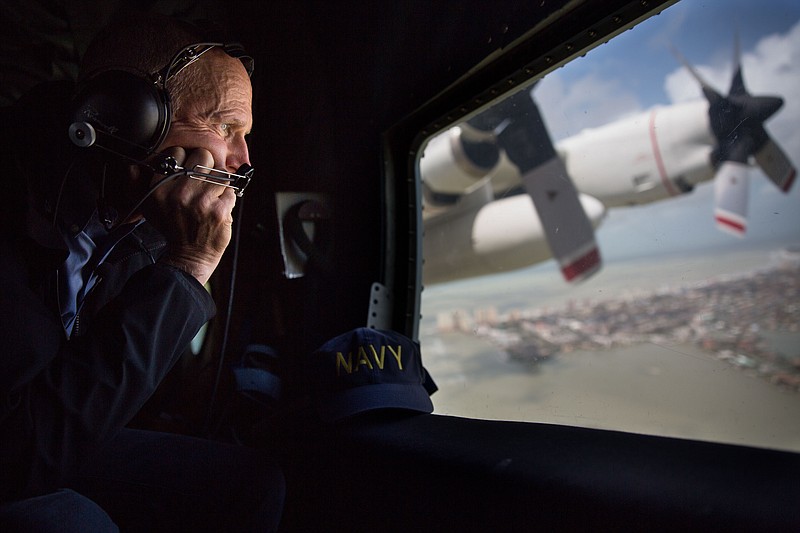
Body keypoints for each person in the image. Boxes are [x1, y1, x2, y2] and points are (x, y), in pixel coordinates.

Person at [0, 11, 284, 532]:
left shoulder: (139, 227)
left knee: (252, 482)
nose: (243, 159)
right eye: (226, 127)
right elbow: (22, 453)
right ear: (126, 115)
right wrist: (189, 267)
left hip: (46, 436)